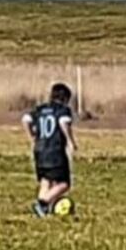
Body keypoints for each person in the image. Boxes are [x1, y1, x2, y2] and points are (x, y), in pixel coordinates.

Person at [21, 83, 78, 217]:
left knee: (46, 180)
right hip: (55, 151)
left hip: (39, 150)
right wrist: (70, 141)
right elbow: (63, 122)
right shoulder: (62, 110)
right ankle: (43, 203)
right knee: (64, 183)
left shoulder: (40, 109)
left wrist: (32, 136)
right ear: (65, 98)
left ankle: (42, 212)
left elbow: (25, 119)